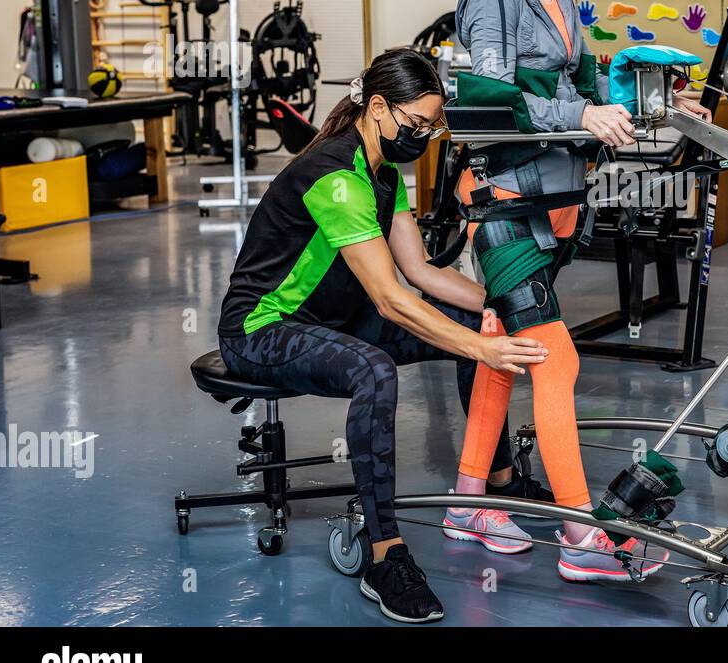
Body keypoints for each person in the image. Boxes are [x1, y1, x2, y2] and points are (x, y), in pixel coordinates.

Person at [444, 0, 710, 582]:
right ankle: (581, 535)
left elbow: (584, 92)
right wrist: (579, 115)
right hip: (504, 208)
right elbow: (486, 102)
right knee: (551, 362)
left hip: (557, 202)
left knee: (501, 348)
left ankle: (469, 501)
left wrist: (634, 91)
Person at [217, 47, 548, 624]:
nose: (421, 135)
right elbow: (392, 299)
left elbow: (419, 271)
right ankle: (384, 552)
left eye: (431, 127)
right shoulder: (336, 176)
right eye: (416, 124)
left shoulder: (385, 175)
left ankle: (490, 484)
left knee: (475, 322)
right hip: (262, 330)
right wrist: (480, 348)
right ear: (377, 107)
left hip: (330, 321)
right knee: (375, 367)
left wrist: (507, 306)